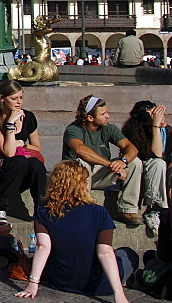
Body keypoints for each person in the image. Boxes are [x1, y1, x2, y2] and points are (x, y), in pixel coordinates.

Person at [16, 160, 138, 301]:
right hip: (98, 286)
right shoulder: (99, 212)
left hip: (60, 282)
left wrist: (33, 283)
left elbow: (43, 246)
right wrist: (119, 293)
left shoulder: (43, 211)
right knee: (128, 254)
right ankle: (122, 282)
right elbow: (104, 252)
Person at [62, 95, 145, 225]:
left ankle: (127, 210)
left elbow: (131, 148)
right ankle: (83, 209)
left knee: (135, 162)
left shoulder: (109, 128)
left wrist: (123, 161)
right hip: (77, 176)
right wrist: (110, 164)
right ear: (90, 117)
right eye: (103, 113)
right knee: (82, 163)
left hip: (100, 174)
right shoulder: (74, 129)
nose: (108, 116)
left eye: (107, 112)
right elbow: (79, 149)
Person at [0, 79, 47, 222]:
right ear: (2, 99)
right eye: (14, 98)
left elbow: (36, 147)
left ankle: (41, 209)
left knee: (35, 164)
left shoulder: (28, 117)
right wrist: (10, 124)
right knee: (19, 161)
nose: (19, 102)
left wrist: (22, 144)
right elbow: (9, 152)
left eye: (21, 98)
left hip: (21, 171)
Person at [121, 100, 169, 236]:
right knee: (158, 163)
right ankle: (154, 208)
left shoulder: (168, 130)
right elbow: (156, 154)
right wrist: (155, 127)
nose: (159, 116)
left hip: (163, 176)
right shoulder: (134, 130)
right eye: (154, 114)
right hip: (143, 170)